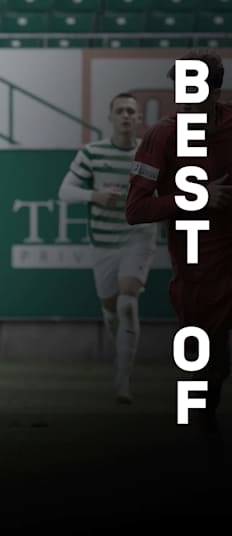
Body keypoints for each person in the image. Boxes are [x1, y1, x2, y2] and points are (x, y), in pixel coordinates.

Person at [126, 48, 232, 448]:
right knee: (213, 363)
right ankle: (200, 423)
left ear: (215, 90)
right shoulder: (161, 136)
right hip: (199, 267)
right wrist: (196, 198)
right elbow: (135, 210)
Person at [58, 92, 157, 404]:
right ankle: (121, 353)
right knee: (112, 309)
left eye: (131, 111)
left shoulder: (152, 154)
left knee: (128, 302)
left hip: (137, 235)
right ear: (111, 117)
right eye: (121, 111)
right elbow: (65, 191)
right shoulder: (92, 153)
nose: (126, 116)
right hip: (102, 241)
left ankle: (122, 380)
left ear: (139, 118)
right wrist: (95, 196)